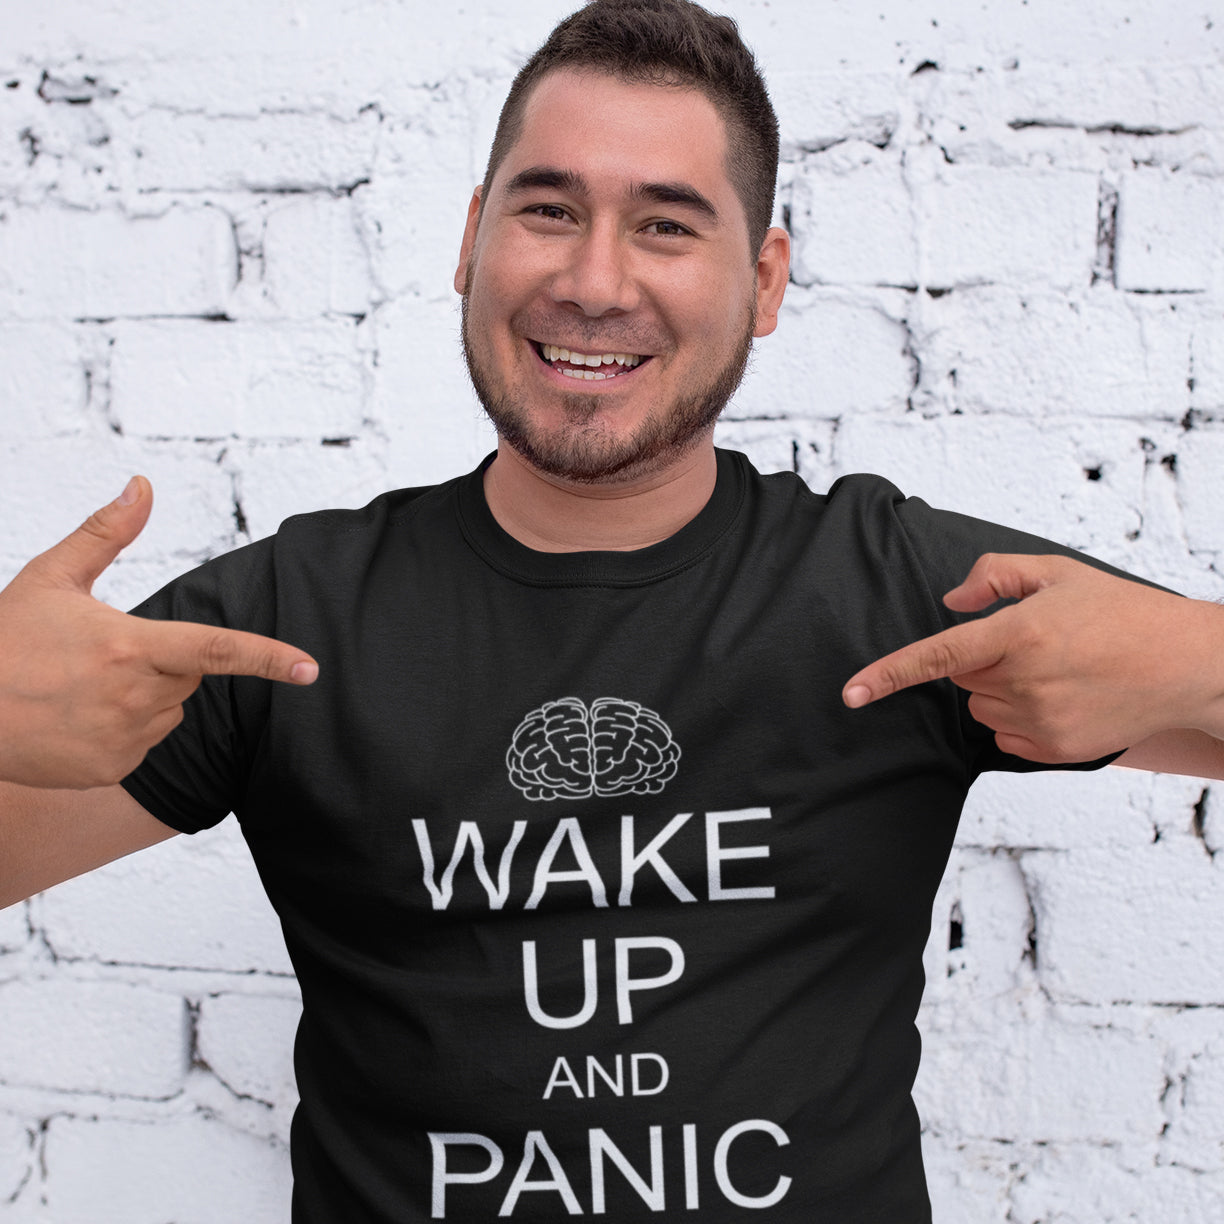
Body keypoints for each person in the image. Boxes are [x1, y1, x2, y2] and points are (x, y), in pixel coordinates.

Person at [0, 0, 1220, 1218]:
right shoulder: (288, 618)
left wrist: (1194, 655)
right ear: (473, 240)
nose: (594, 280)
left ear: (763, 279)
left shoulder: (904, 593)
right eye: (548, 210)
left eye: (666, 225)